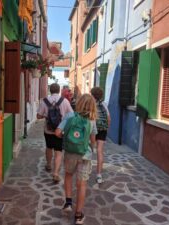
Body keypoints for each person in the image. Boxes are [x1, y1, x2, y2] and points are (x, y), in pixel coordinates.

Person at [55, 94, 97, 225]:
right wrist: (92, 148)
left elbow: (57, 132)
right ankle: (78, 215)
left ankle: (68, 203)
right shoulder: (92, 120)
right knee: (82, 185)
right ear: (92, 106)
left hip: (70, 153)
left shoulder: (69, 116)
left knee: (68, 175)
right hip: (85, 154)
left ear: (79, 104)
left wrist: (69, 137)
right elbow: (93, 140)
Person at [37, 83, 73, 183]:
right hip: (60, 130)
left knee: (49, 147)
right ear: (58, 90)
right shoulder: (65, 101)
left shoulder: (44, 101)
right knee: (58, 151)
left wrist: (46, 116)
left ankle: (48, 165)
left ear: (50, 90)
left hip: (48, 130)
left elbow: (38, 116)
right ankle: (56, 173)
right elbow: (71, 115)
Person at [90, 87, 111, 184]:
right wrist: (106, 128)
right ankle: (99, 175)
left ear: (92, 94)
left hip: (91, 129)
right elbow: (108, 118)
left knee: (89, 149)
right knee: (99, 151)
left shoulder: (90, 104)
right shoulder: (104, 104)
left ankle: (87, 169)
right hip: (102, 129)